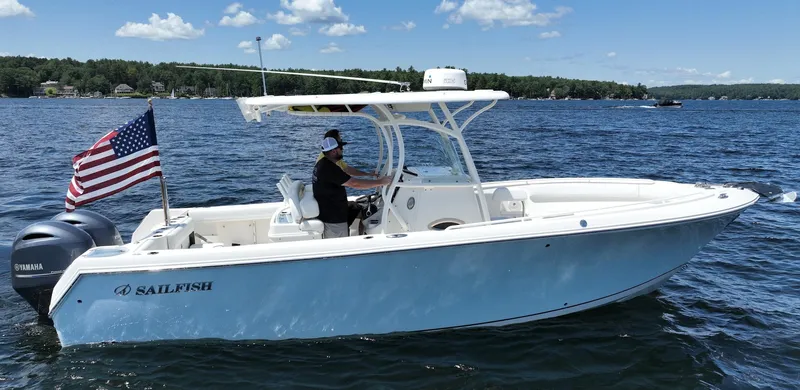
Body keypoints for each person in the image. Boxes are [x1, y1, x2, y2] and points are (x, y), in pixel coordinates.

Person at [313, 137, 391, 238]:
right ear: (333, 151)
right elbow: (354, 184)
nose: (342, 150)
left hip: (334, 208)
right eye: (341, 148)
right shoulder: (329, 168)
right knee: (339, 248)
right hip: (333, 218)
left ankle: (362, 238)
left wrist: (368, 175)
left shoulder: (324, 163)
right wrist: (380, 182)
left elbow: (348, 173)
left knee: (359, 208)